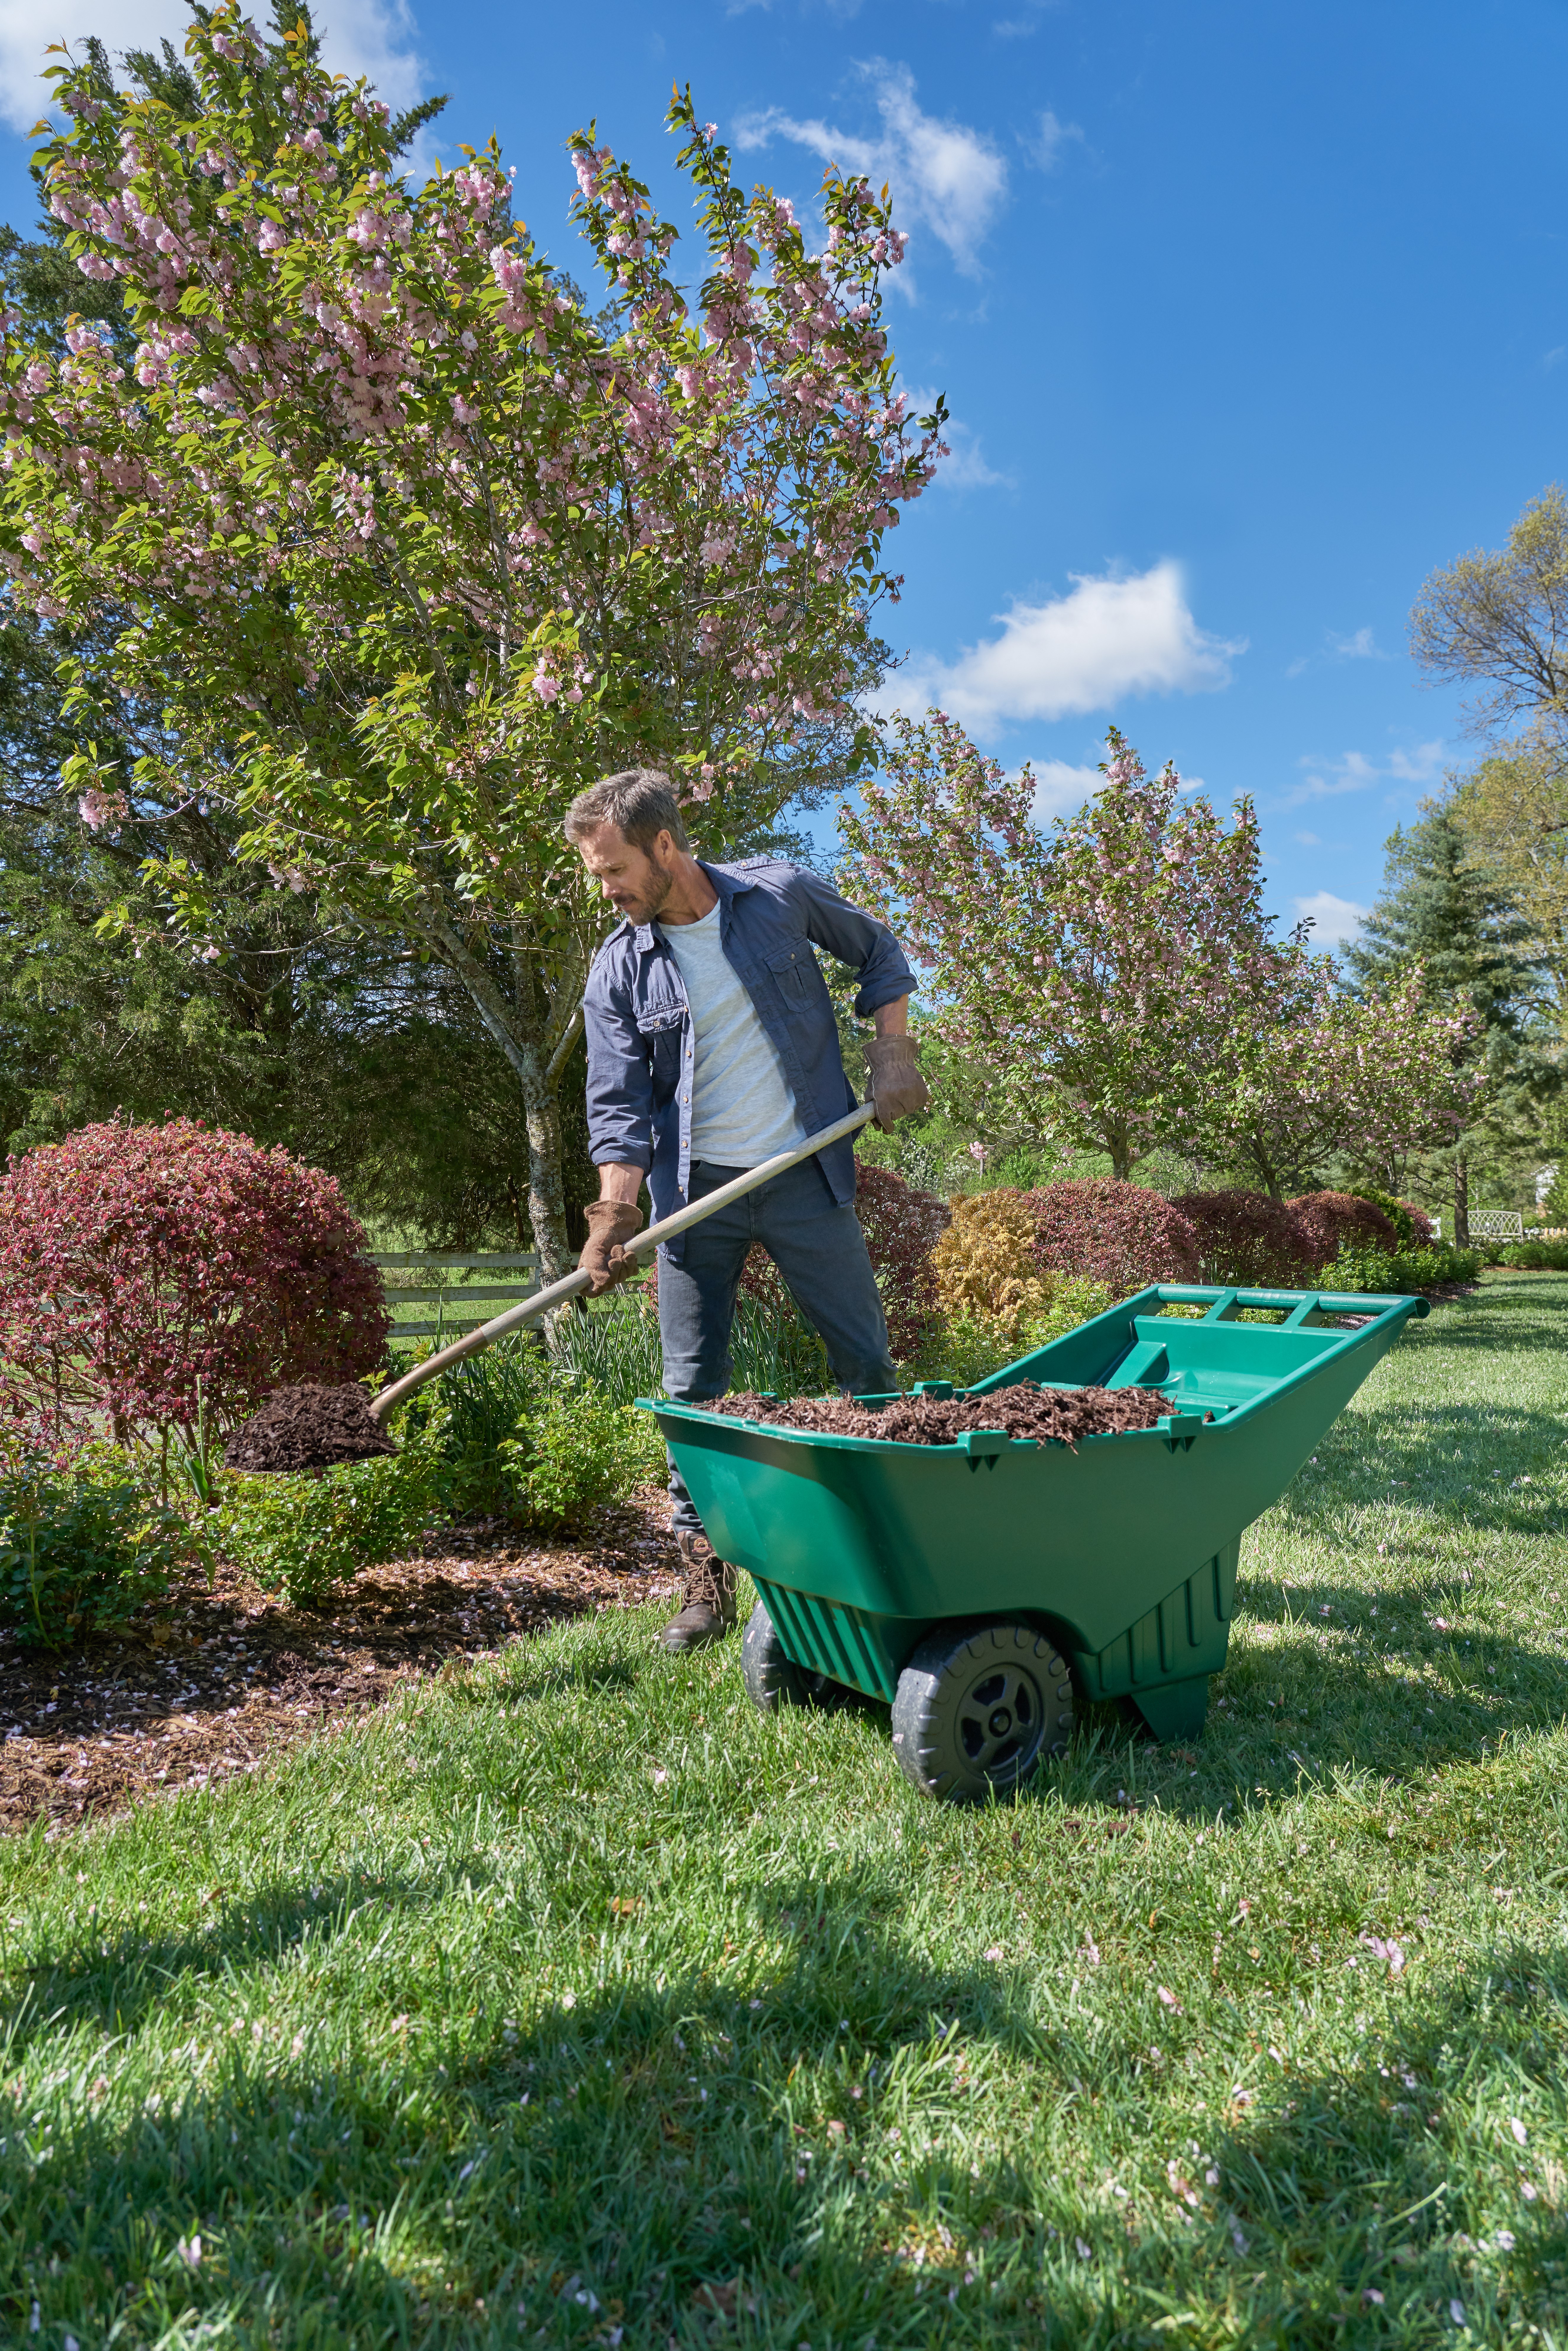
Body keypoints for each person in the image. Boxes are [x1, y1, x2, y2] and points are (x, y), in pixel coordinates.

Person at [564, 767, 930, 1651]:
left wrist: (892, 1052)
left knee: (867, 1369)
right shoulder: (619, 967)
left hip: (806, 1178)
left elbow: (880, 954)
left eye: (613, 870)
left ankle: (898, 1556)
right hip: (694, 1201)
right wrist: (614, 1217)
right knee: (693, 1395)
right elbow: (617, 1108)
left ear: (663, 846)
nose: (605, 890)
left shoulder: (780, 896)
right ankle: (703, 1589)